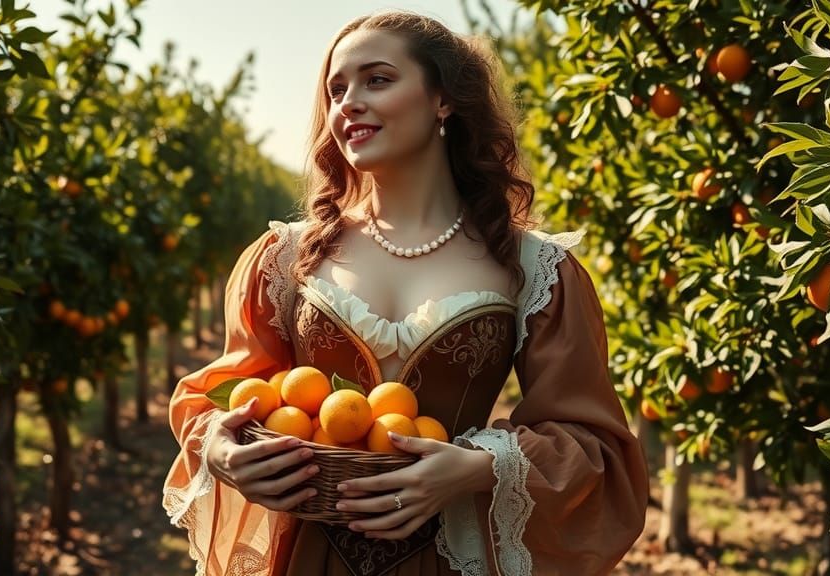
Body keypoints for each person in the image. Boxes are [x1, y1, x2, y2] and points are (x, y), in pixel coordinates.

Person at [162, 9, 648, 576]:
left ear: (443, 99)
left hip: (449, 558)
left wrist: (476, 467)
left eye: (378, 79)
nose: (348, 103)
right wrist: (219, 449)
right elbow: (224, 395)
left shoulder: (535, 267)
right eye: (336, 89)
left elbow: (592, 444)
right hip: (309, 559)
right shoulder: (286, 259)